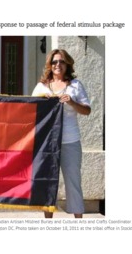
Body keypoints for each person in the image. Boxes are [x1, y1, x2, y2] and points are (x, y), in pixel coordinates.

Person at [31, 49, 91, 218]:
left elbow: (87, 111)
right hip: (47, 143)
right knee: (47, 183)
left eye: (62, 61)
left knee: (73, 182)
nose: (58, 65)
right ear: (50, 65)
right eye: (55, 61)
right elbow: (30, 110)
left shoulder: (75, 85)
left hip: (70, 141)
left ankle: (78, 222)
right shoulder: (41, 86)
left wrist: (71, 102)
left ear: (67, 64)